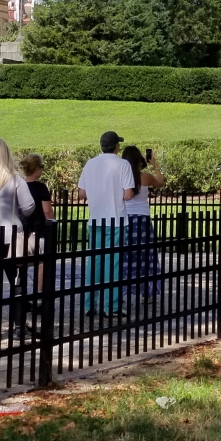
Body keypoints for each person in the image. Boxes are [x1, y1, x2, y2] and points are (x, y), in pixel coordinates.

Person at [0, 139, 35, 340]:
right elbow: (29, 208)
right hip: (12, 237)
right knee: (17, 284)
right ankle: (19, 325)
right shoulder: (15, 179)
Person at [76, 132, 135, 316]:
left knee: (94, 262)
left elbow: (82, 194)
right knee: (113, 263)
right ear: (116, 146)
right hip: (116, 219)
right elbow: (128, 194)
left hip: (95, 219)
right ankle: (112, 306)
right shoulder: (123, 164)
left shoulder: (90, 164)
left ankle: (89, 305)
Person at [121, 146, 164, 299]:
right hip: (143, 219)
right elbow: (160, 182)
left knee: (126, 256)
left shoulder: (122, 177)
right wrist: (155, 165)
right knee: (146, 255)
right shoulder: (145, 177)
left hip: (126, 219)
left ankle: (124, 290)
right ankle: (147, 291)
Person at [18, 153, 54, 333]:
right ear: (37, 169)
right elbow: (47, 211)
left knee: (22, 265)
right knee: (41, 264)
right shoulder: (40, 188)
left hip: (22, 231)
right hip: (39, 231)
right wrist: (52, 225)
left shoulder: (19, 185)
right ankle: (39, 297)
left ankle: (23, 297)